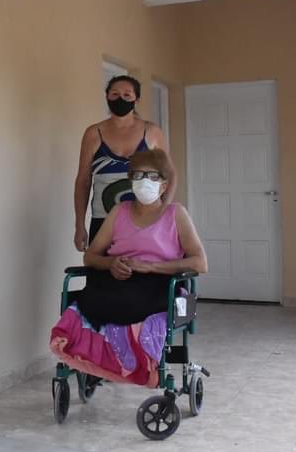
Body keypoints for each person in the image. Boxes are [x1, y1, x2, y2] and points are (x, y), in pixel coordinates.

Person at [76, 148, 207, 328]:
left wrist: (150, 266)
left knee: (131, 303)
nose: (145, 181)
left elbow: (200, 263)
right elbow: (90, 257)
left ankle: (123, 341)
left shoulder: (175, 213)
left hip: (159, 282)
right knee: (87, 299)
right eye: (138, 175)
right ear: (131, 182)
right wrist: (111, 263)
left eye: (153, 176)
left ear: (164, 186)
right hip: (119, 280)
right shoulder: (119, 211)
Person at [73, 74, 176, 252]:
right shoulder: (93, 133)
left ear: (137, 99)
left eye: (127, 95)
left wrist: (163, 209)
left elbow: (170, 173)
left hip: (144, 220)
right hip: (103, 219)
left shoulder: (151, 132)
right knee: (101, 267)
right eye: (115, 94)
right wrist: (79, 225)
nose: (120, 98)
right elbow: (83, 180)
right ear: (107, 96)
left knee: (144, 266)